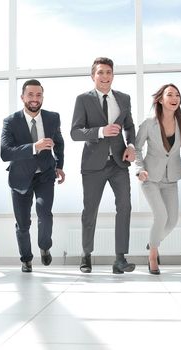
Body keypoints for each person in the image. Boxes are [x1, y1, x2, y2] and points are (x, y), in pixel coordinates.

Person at [71, 57, 136, 274]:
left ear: (113, 75)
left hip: (119, 163)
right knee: (90, 210)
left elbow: (129, 126)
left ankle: (120, 259)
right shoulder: (83, 99)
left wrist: (132, 146)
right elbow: (75, 132)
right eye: (100, 72)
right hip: (93, 165)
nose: (105, 76)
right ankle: (86, 254)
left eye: (108, 72)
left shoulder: (124, 99)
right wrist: (100, 131)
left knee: (125, 207)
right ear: (93, 76)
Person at [0, 79, 65, 273]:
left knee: (44, 214)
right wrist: (34, 147)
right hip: (20, 177)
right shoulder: (11, 121)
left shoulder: (53, 117)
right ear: (22, 97)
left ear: (42, 97)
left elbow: (59, 143)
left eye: (38, 95)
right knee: (23, 223)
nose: (35, 99)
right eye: (30, 95)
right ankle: (26, 259)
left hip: (45, 174)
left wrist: (59, 165)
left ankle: (45, 246)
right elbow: (5, 153)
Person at [135, 84, 181, 275]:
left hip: (171, 178)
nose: (174, 98)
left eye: (177, 94)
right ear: (160, 99)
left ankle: (152, 243)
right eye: (170, 94)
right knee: (161, 216)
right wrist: (139, 169)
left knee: (172, 220)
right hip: (150, 177)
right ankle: (153, 255)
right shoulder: (148, 123)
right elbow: (136, 148)